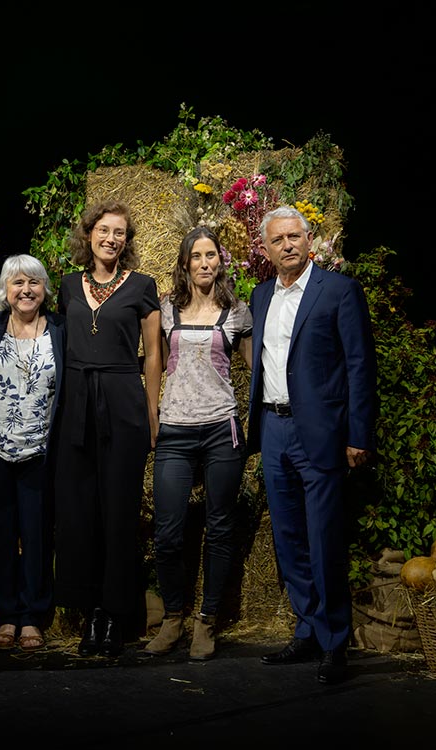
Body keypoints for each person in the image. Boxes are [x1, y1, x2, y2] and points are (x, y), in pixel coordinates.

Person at [246, 205, 377, 685]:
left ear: (309, 240)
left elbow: (361, 365)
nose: (287, 245)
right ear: (265, 248)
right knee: (289, 540)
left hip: (319, 432)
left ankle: (333, 641)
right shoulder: (261, 296)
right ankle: (306, 629)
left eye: (294, 237)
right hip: (273, 427)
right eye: (277, 240)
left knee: (324, 539)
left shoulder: (338, 291)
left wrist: (359, 434)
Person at [53, 199, 163, 658]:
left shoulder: (142, 285)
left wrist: (153, 415)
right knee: (80, 513)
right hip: (76, 401)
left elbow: (154, 355)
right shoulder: (65, 286)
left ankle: (117, 615)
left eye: (119, 232)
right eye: (104, 230)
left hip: (122, 400)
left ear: (126, 241)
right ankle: (90, 611)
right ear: (89, 234)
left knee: (118, 512)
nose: (111, 238)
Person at [143, 227, 252, 661]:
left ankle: (206, 623)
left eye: (212, 256)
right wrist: (151, 416)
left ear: (219, 262)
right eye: (197, 256)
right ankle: (173, 619)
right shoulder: (165, 309)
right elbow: (152, 361)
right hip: (175, 429)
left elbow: (257, 364)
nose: (205, 263)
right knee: (168, 532)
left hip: (220, 428)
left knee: (220, 528)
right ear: (185, 263)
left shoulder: (237, 311)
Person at [0, 254, 65, 652]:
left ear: (45, 289)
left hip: (40, 453)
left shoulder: (61, 331)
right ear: (5, 292)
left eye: (33, 282)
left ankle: (32, 616)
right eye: (17, 283)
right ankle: (6, 615)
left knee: (36, 536)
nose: (26, 290)